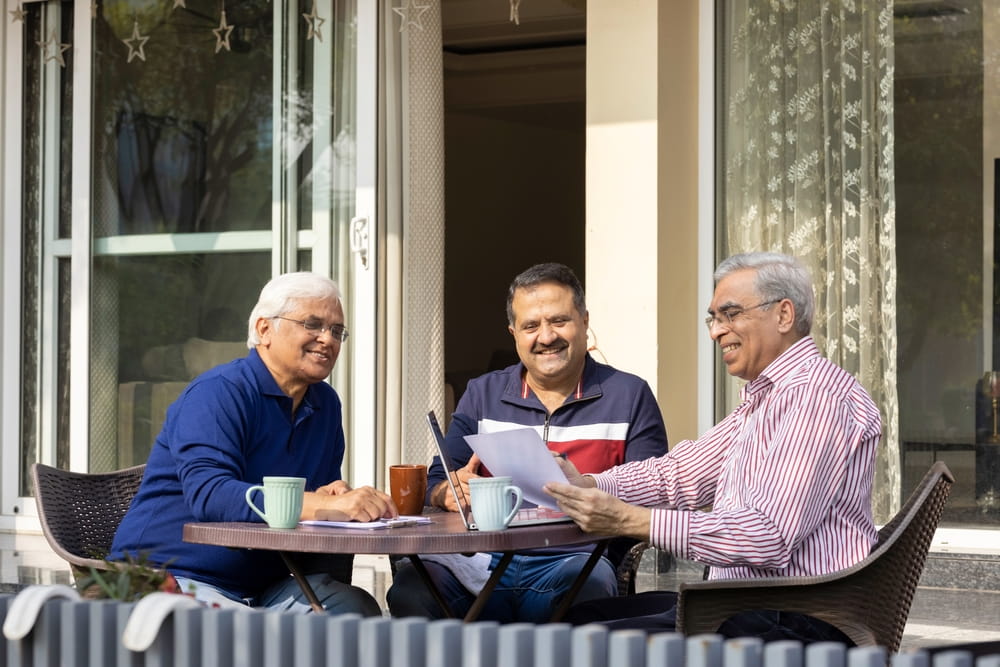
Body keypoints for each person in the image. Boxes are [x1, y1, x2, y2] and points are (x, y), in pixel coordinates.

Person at [543, 252, 881, 642]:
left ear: (784, 315)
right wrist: (589, 484)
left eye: (731, 314)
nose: (716, 331)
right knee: (575, 620)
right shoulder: (768, 398)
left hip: (797, 622)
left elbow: (767, 536)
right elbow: (678, 474)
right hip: (748, 608)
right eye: (714, 318)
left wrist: (628, 521)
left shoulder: (815, 397)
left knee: (575, 641)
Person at [386, 262, 668, 623]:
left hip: (574, 561)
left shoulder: (629, 395)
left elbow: (652, 496)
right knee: (411, 588)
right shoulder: (483, 393)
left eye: (559, 321)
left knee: (588, 585)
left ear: (584, 321)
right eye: (531, 326)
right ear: (514, 333)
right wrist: (449, 492)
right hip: (479, 564)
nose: (546, 337)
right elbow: (438, 482)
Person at [110, 272, 397, 614]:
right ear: (264, 329)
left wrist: (328, 498)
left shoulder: (326, 404)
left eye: (337, 331)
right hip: (172, 577)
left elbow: (310, 509)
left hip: (265, 586)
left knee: (353, 609)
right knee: (245, 631)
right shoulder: (217, 393)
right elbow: (211, 495)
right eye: (313, 324)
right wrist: (319, 505)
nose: (327, 339)